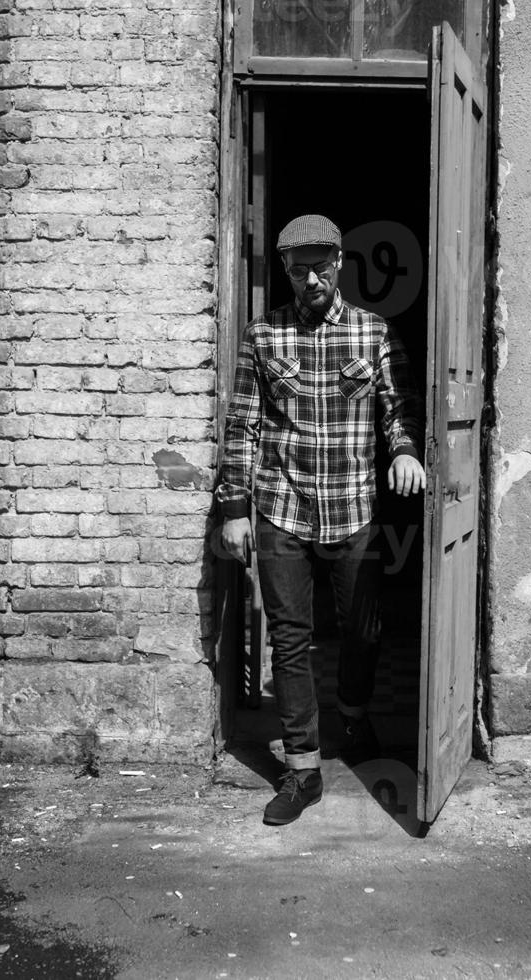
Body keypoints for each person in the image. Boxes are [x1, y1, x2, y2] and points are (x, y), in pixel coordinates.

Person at [216, 213, 425, 826]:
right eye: (299, 268)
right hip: (281, 505)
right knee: (290, 639)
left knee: (362, 630)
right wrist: (233, 508)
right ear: (284, 269)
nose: (311, 278)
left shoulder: (375, 332)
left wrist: (406, 449)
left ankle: (355, 718)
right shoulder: (264, 336)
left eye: (321, 267)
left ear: (340, 266)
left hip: (355, 505)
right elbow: (244, 425)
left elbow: (399, 405)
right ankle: (301, 769)